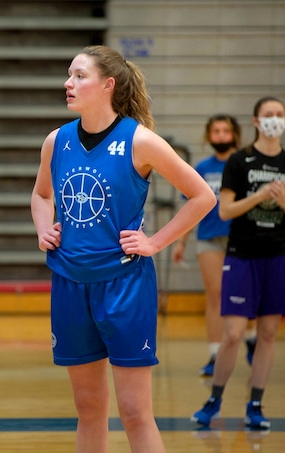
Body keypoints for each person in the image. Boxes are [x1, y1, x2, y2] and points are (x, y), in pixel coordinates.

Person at [31, 45, 215, 453]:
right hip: (70, 284)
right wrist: (45, 229)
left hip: (124, 287)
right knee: (89, 408)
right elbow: (41, 196)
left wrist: (155, 242)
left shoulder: (141, 141)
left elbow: (202, 197)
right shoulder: (56, 141)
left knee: (134, 411)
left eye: (79, 76)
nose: (68, 83)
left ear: (107, 85)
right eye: (69, 74)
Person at [191, 96, 285, 430]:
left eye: (280, 115)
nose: (275, 119)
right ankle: (214, 400)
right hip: (242, 254)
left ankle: (255, 404)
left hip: (277, 255)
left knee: (269, 333)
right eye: (268, 115)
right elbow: (225, 210)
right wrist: (260, 196)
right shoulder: (240, 161)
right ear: (257, 121)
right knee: (233, 334)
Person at [171, 114, 257, 376]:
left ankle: (251, 338)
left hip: (241, 238)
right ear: (209, 136)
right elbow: (192, 206)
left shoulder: (244, 163)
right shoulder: (202, 167)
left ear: (235, 135)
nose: (221, 136)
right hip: (208, 237)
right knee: (215, 295)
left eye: (225, 131)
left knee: (246, 294)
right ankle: (214, 355)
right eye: (216, 131)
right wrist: (181, 241)